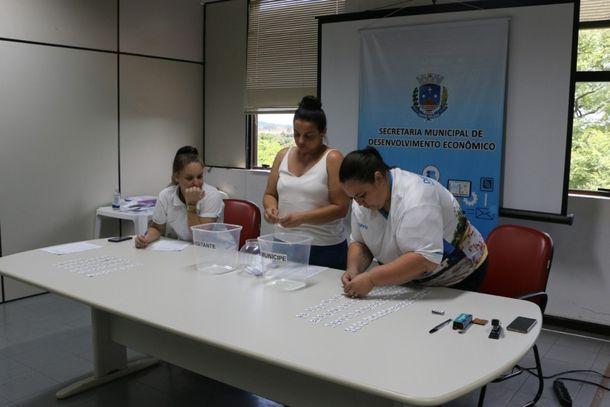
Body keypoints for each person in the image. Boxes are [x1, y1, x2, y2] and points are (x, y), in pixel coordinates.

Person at [339, 147, 488, 297]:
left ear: (378, 178)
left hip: (457, 273)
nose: (359, 203)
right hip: (408, 279)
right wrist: (354, 270)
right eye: (353, 198)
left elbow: (424, 259)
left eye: (362, 195)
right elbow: (360, 243)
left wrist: (371, 279)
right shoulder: (362, 201)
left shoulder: (418, 195)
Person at [263, 96, 350, 269]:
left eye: (308, 136)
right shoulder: (282, 155)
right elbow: (270, 194)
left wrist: (301, 218)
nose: (301, 141)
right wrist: (270, 209)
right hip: (284, 242)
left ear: (323, 132)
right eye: (296, 134)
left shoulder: (332, 158)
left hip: (323, 247)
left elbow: (341, 208)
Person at [135, 146, 224, 248]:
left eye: (199, 176)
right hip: (185, 248)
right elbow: (157, 228)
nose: (196, 183)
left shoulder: (212, 195)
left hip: (216, 250)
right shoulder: (166, 195)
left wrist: (191, 205)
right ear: (177, 177)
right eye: (189, 178)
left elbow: (200, 238)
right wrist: (146, 239)